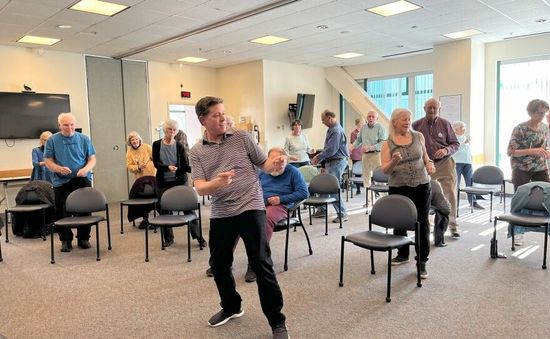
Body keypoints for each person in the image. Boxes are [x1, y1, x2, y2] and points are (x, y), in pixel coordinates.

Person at [189, 96, 289, 339]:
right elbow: (200, 187)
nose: (223, 117)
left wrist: (275, 164)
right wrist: (217, 182)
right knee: (219, 265)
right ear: (203, 120)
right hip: (222, 211)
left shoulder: (243, 138)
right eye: (216, 115)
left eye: (224, 113)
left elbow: (264, 165)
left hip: (251, 205)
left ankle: (277, 322)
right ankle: (232, 306)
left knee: (261, 263)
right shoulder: (197, 151)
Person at [381, 108, 435, 279]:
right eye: (403, 119)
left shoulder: (418, 136)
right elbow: (385, 171)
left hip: (422, 185)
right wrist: (394, 161)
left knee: (422, 222)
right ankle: (403, 253)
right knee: (400, 222)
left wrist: (429, 165)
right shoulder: (387, 143)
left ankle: (422, 261)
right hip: (399, 186)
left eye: (409, 119)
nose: (407, 122)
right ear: (394, 122)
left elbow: (425, 156)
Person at [44, 113, 96, 252]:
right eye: (66, 125)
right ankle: (66, 240)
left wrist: (86, 169)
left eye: (72, 124)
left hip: (81, 179)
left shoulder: (84, 139)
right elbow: (48, 161)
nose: (70, 128)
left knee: (85, 209)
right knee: (62, 212)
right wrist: (58, 169)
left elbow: (92, 159)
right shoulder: (52, 140)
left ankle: (83, 238)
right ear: (59, 125)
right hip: (61, 182)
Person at [152, 119, 206, 248]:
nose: (172, 132)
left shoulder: (179, 146)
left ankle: (199, 238)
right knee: (164, 210)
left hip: (179, 181)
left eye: (174, 130)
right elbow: (156, 163)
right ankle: (169, 238)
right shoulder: (156, 144)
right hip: (163, 182)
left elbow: (184, 165)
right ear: (165, 130)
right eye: (170, 129)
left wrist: (198, 170)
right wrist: (167, 167)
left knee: (188, 208)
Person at [412, 98, 460, 238]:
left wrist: (446, 150)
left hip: (445, 163)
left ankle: (453, 224)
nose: (432, 110)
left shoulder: (445, 124)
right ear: (424, 108)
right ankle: (426, 223)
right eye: (429, 107)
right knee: (424, 193)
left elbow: (455, 144)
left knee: (449, 192)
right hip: (425, 164)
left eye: (435, 108)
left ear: (439, 109)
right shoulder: (416, 125)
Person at [507, 99, 550, 245]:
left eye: (545, 113)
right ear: (531, 112)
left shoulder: (545, 128)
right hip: (521, 168)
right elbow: (511, 151)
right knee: (521, 199)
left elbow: (545, 146)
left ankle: (547, 227)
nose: (543, 116)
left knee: (547, 195)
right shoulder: (520, 128)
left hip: (540, 167)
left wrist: (546, 152)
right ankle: (518, 232)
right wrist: (532, 151)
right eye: (540, 113)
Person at [259, 147, 309, 241]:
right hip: (260, 205)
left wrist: (280, 199)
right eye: (273, 162)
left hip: (281, 206)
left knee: (265, 218)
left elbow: (304, 193)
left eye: (279, 162)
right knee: (240, 216)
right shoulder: (262, 172)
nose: (276, 166)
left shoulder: (293, 171)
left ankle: (261, 254)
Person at [311, 110, 350, 223]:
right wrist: (323, 163)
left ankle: (342, 213)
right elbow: (328, 149)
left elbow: (331, 150)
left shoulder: (336, 131)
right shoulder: (331, 129)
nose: (322, 122)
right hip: (331, 161)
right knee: (324, 186)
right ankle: (322, 209)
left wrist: (318, 157)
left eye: (323, 120)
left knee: (333, 188)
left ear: (329, 117)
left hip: (337, 162)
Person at [352, 110, 387, 195]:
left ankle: (385, 199)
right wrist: (352, 147)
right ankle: (369, 201)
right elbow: (359, 140)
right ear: (367, 118)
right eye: (369, 116)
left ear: (377, 118)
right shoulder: (363, 128)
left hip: (376, 155)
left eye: (373, 117)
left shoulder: (380, 127)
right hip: (365, 156)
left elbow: (383, 142)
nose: (371, 118)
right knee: (366, 179)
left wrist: (370, 148)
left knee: (379, 178)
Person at [452, 121, 483, 210]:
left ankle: (473, 202)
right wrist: (464, 143)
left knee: (470, 183)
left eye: (464, 127)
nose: (464, 129)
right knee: (456, 184)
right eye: (461, 127)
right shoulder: (452, 138)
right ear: (455, 129)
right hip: (457, 163)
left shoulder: (465, 138)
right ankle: (454, 202)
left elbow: (467, 151)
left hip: (468, 163)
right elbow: (455, 150)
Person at [430, 179, 450, 247]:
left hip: (401, 205)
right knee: (444, 209)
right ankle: (439, 241)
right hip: (421, 206)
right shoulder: (432, 183)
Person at [349, 117, 365, 195]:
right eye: (359, 124)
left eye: (362, 124)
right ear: (357, 124)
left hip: (364, 154)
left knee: (368, 171)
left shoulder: (366, 132)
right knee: (357, 172)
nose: (361, 126)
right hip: (356, 154)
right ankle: (358, 189)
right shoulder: (353, 133)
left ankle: (373, 190)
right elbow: (353, 143)